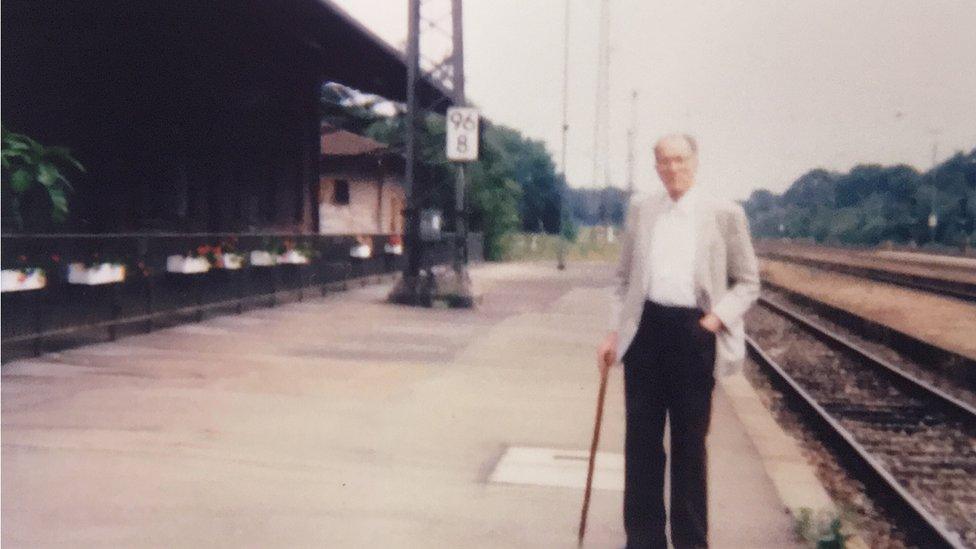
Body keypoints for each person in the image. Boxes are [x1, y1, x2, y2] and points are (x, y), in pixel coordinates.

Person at [597, 134, 760, 549]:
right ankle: (644, 540)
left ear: (695, 162)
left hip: (693, 334)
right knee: (641, 445)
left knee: (689, 448)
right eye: (664, 162)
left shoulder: (724, 214)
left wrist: (712, 322)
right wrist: (615, 333)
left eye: (680, 160)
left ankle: (690, 542)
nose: (673, 169)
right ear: (656, 167)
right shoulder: (641, 209)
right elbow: (622, 279)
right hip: (646, 334)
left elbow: (748, 283)